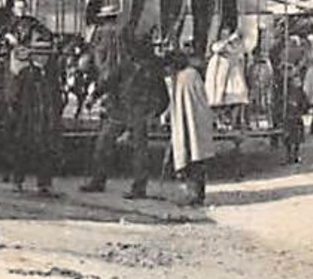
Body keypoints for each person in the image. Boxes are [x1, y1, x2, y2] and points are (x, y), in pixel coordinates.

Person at [81, 28, 168, 200]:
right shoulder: (127, 65)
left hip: (137, 113)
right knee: (104, 144)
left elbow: (163, 95)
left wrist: (155, 113)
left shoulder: (152, 68)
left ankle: (138, 187)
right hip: (120, 110)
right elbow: (108, 81)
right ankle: (99, 180)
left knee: (138, 151)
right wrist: (93, 96)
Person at [8, 40, 62, 195]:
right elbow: (16, 96)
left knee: (46, 151)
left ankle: (44, 183)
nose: (43, 59)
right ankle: (17, 181)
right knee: (23, 150)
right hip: (28, 118)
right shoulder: (26, 73)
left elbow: (56, 96)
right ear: (33, 57)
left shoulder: (52, 75)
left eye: (46, 56)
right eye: (39, 55)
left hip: (46, 118)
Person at [164, 50, 214, 207]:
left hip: (188, 122)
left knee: (191, 161)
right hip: (198, 121)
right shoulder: (192, 74)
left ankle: (193, 196)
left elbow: (178, 102)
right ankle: (198, 195)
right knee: (197, 159)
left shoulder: (182, 78)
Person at [204, 31, 250, 128]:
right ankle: (218, 121)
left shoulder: (237, 49)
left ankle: (235, 121)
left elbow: (240, 53)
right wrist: (228, 40)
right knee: (218, 99)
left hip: (233, 75)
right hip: (219, 76)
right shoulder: (218, 49)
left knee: (238, 96)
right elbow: (216, 48)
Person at [281, 72, 309, 164]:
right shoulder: (286, 92)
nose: (298, 83)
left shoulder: (301, 93)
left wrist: (301, 108)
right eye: (295, 81)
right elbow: (282, 103)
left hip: (297, 117)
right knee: (287, 138)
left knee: (297, 139)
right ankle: (288, 155)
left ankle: (296, 155)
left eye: (299, 81)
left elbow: (305, 104)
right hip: (288, 118)